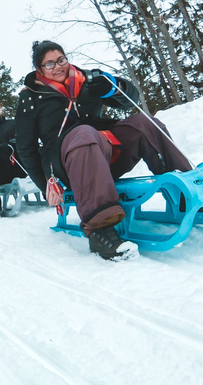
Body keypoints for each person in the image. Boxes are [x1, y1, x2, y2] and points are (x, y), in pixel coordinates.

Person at [15, 40, 193, 261]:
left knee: (144, 123)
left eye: (61, 59)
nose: (58, 66)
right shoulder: (30, 98)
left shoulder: (89, 80)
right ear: (39, 69)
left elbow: (131, 101)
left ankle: (187, 192)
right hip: (66, 163)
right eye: (49, 64)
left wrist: (114, 86)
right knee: (84, 134)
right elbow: (26, 148)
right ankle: (100, 230)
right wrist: (46, 187)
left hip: (104, 151)